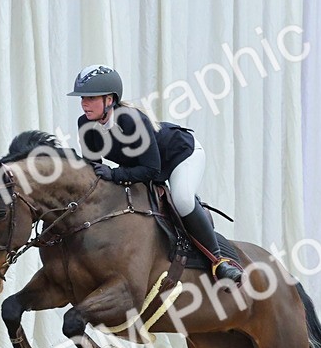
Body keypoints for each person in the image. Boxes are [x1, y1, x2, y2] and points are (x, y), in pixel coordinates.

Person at [68, 65, 243, 284]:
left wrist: (114, 174)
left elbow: (152, 170)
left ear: (110, 100)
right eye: (83, 97)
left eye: (92, 98)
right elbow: (94, 169)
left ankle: (219, 262)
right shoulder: (85, 124)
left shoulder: (130, 120)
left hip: (180, 155)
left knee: (182, 199)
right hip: (143, 165)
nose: (84, 103)